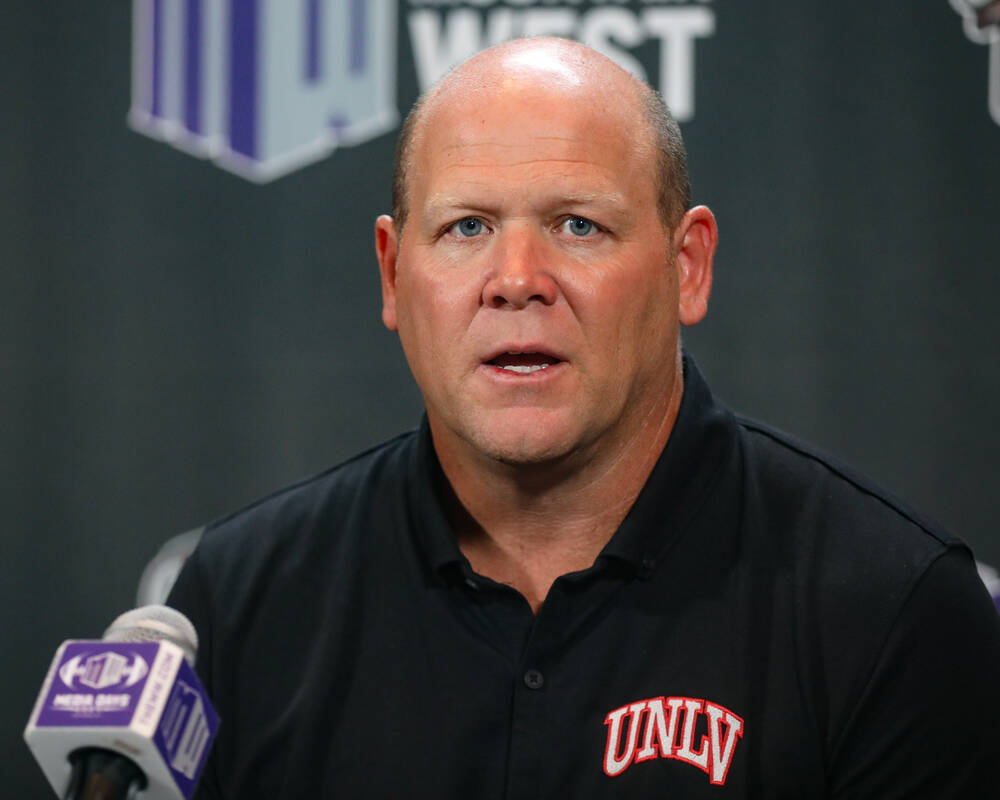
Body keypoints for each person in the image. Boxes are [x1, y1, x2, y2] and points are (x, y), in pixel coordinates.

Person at [167, 37, 1000, 797]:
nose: (517, 278)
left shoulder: (893, 605)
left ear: (688, 265)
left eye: (578, 225)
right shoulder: (238, 602)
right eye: (466, 227)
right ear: (392, 275)